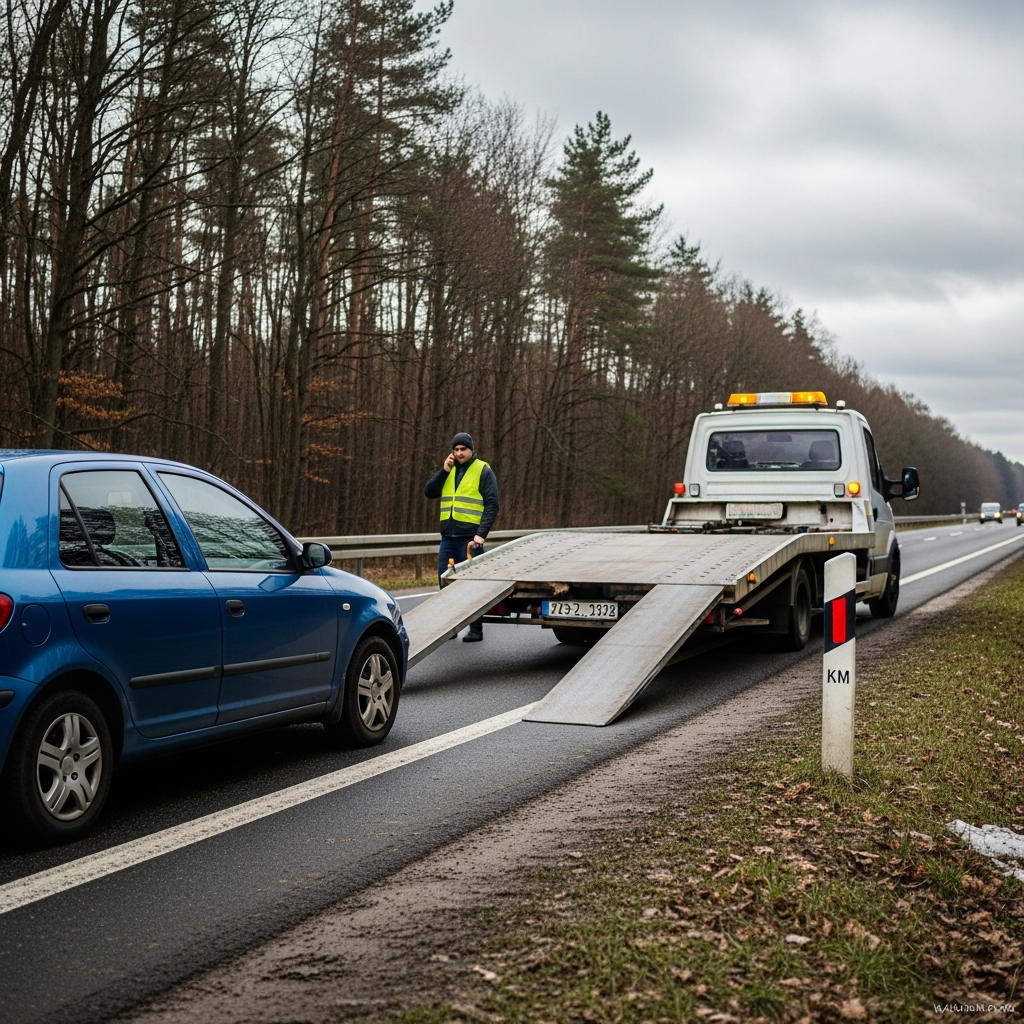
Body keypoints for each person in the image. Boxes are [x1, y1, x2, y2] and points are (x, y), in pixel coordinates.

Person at [423, 432, 499, 642]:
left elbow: (492, 504)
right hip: (448, 536)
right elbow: (429, 492)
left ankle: (476, 628)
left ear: (471, 450)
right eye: (455, 450)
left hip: (470, 539)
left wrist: (481, 535)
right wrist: (443, 470)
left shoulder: (483, 470)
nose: (458, 453)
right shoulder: (449, 470)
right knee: (445, 582)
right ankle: (451, 627)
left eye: (462, 449)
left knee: (471, 586)